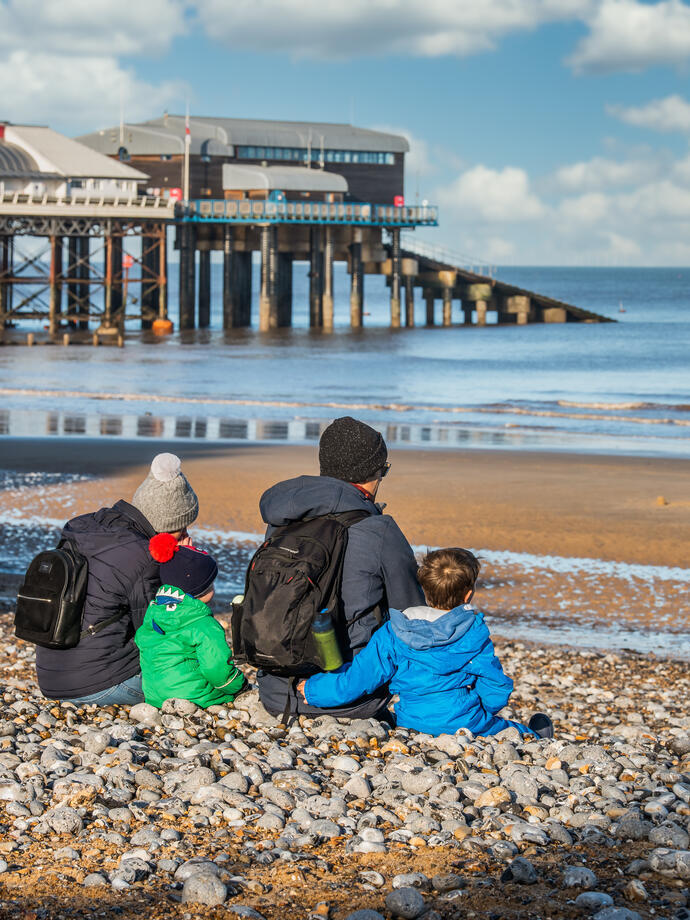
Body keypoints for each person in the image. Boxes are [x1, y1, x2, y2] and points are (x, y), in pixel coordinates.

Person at [256, 416, 424, 721]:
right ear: (371, 473)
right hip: (349, 696)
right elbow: (414, 615)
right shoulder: (379, 530)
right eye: (382, 471)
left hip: (275, 691)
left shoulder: (282, 520)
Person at [299, 547, 554, 738]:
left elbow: (358, 679)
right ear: (468, 594)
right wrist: (482, 707)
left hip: (412, 721)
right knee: (511, 731)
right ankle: (536, 737)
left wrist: (312, 690)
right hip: (466, 720)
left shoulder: (395, 630)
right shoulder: (473, 634)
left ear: (423, 589)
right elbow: (495, 686)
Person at [35, 453, 199, 706]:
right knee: (194, 672)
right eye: (183, 530)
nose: (187, 536)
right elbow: (157, 632)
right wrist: (185, 570)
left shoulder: (82, 527)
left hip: (50, 677)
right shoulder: (144, 556)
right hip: (99, 685)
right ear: (166, 529)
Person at [135, 535, 247, 708]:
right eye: (211, 583)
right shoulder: (203, 624)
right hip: (195, 697)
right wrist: (240, 685)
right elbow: (216, 669)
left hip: (154, 696)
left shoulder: (154, 612)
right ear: (200, 589)